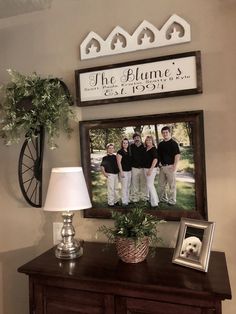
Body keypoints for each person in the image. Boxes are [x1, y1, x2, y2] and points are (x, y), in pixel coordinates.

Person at [157, 126, 180, 206]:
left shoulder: (173, 143)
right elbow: (158, 155)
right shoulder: (160, 144)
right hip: (162, 167)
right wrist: (159, 163)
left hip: (171, 167)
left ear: (169, 133)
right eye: (163, 133)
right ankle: (163, 199)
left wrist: (175, 166)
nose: (165, 134)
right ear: (162, 134)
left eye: (166, 132)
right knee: (161, 185)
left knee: (172, 185)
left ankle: (172, 201)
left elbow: (177, 155)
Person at [130, 132, 147, 203]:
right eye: (135, 138)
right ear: (133, 139)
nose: (136, 139)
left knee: (143, 184)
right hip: (134, 168)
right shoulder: (131, 147)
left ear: (140, 138)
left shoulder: (144, 146)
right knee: (134, 184)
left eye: (138, 137)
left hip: (143, 168)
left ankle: (144, 198)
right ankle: (135, 198)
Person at [143, 135, 159, 208]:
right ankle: (153, 200)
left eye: (150, 140)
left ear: (152, 141)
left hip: (151, 169)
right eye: (147, 140)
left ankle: (155, 203)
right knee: (149, 185)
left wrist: (150, 169)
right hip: (145, 168)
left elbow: (155, 159)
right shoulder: (145, 148)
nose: (148, 141)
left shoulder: (153, 149)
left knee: (150, 185)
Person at [116, 138, 132, 206]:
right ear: (122, 144)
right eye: (124, 143)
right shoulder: (120, 152)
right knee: (124, 187)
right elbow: (118, 162)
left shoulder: (129, 151)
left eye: (126, 143)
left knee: (128, 186)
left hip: (129, 171)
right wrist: (121, 171)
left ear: (128, 144)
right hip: (123, 172)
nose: (125, 144)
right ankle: (124, 201)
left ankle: (127, 199)